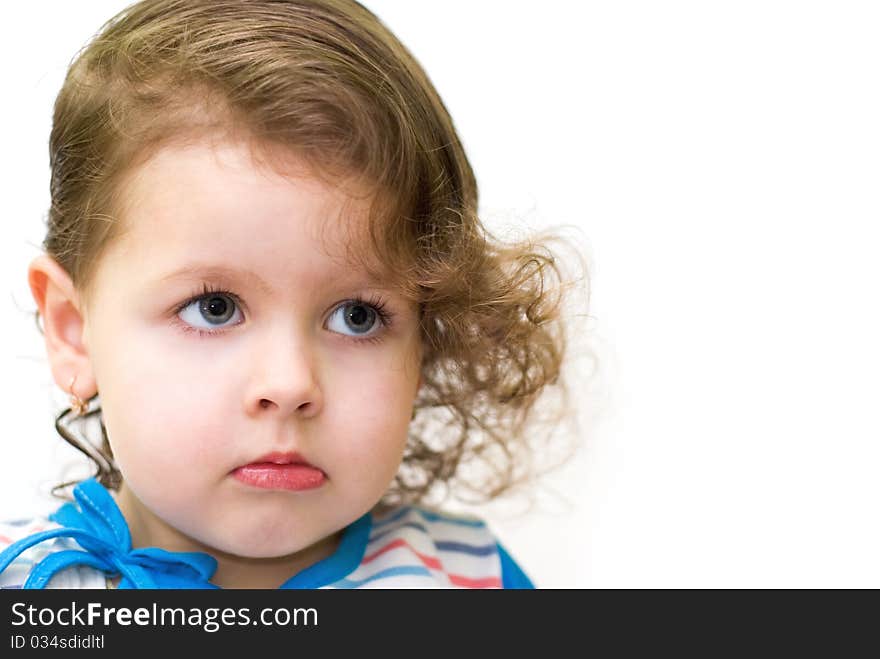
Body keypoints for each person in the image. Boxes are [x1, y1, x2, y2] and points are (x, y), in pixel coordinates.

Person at [0, 0, 584, 589]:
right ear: (74, 330)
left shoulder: (470, 578)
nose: (290, 384)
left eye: (357, 316)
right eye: (215, 308)